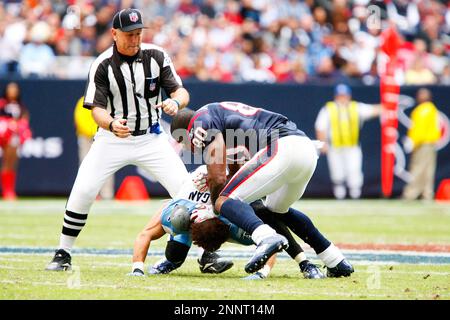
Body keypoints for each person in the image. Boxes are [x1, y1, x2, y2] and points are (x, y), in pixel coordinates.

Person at [46, 8, 191, 271]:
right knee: (83, 190)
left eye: (138, 34)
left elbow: (180, 91)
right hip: (112, 139)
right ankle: (63, 252)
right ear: (114, 34)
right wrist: (112, 123)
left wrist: (174, 102)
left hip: (151, 138)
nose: (135, 40)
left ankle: (205, 254)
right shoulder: (102, 64)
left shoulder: (156, 56)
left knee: (187, 191)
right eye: (129, 35)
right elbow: (97, 109)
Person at [170, 101, 352, 275]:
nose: (188, 148)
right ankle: (335, 260)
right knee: (275, 211)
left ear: (187, 131)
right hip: (304, 149)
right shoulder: (221, 121)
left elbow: (217, 179)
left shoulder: (200, 121)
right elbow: (234, 172)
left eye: (183, 141)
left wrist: (213, 208)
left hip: (282, 147)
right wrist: (219, 183)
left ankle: (265, 238)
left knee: (223, 200)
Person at [130, 165, 346, 280]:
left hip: (241, 186)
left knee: (267, 212)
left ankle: (305, 263)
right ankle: (192, 259)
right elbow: (145, 234)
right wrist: (137, 268)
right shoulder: (178, 213)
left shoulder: (236, 224)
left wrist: (263, 273)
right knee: (175, 255)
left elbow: (272, 241)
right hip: (198, 203)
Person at [314, 84, 381, 199]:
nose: (342, 98)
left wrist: (389, 103)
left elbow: (374, 110)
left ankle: (355, 195)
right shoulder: (329, 109)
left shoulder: (356, 107)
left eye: (344, 95)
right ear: (336, 96)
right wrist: (323, 142)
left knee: (354, 170)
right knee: (337, 172)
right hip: (335, 146)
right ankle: (340, 196)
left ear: (349, 96)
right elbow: (320, 126)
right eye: (340, 95)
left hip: (352, 146)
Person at [402, 88, 441, 201]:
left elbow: (419, 129)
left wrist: (413, 141)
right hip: (429, 143)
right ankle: (427, 193)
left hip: (423, 143)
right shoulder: (432, 109)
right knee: (428, 169)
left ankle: (411, 193)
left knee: (418, 168)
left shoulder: (423, 110)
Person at [73, 96, 114, 200]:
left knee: (107, 166)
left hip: (104, 137)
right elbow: (80, 120)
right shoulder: (83, 101)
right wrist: (92, 133)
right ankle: (85, 194)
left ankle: (107, 195)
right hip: (87, 139)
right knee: (85, 166)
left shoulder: (106, 101)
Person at [0, 82, 32, 200]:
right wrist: (9, 125)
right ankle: (6, 191)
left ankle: (10, 190)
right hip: (4, 136)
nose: (12, 91)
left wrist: (20, 126)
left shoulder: (20, 106)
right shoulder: (2, 104)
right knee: (6, 162)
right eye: (10, 89)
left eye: (15, 89)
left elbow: (25, 119)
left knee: (13, 163)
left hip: (15, 137)